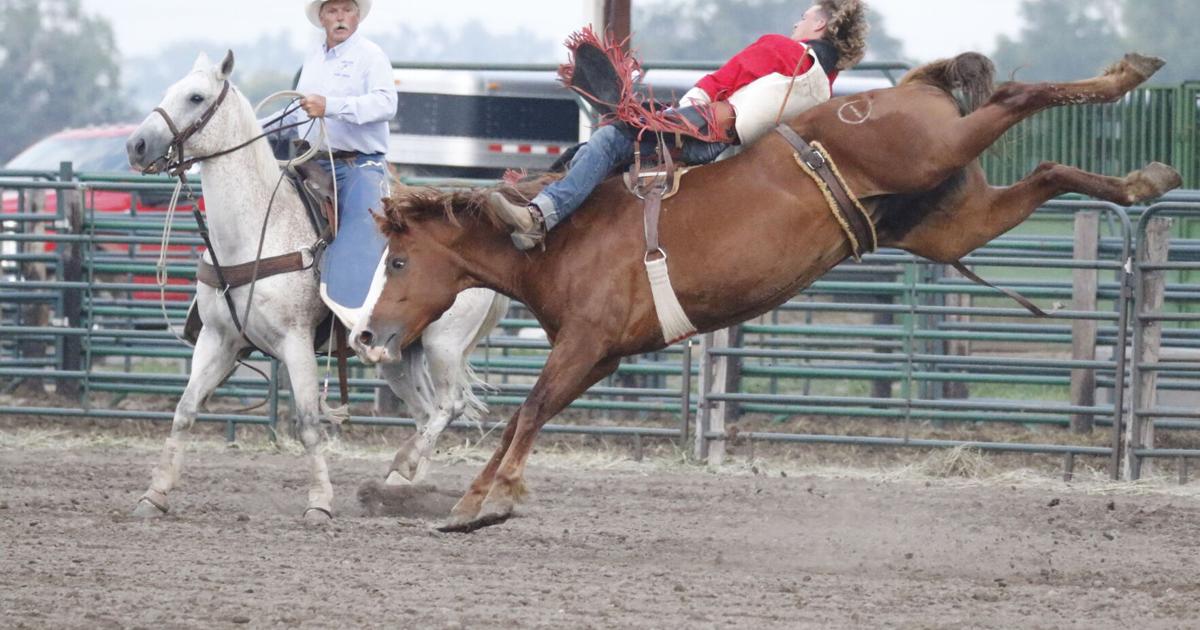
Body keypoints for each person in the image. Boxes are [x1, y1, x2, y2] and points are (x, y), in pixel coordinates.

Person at [489, 0, 869, 250]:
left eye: (804, 16)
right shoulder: (824, 86)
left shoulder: (782, 49)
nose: (796, 21)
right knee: (611, 147)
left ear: (819, 23)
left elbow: (718, 83)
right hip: (730, 151)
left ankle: (539, 216)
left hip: (704, 131)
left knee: (606, 141)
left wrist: (678, 114)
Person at [276, 0, 398, 325]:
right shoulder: (313, 57)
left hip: (359, 165)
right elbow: (296, 109)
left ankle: (360, 318)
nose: (340, 17)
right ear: (322, 18)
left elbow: (386, 103)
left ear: (357, 16)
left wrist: (331, 105)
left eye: (347, 10)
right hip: (312, 161)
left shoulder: (371, 56)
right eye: (333, 11)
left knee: (363, 228)